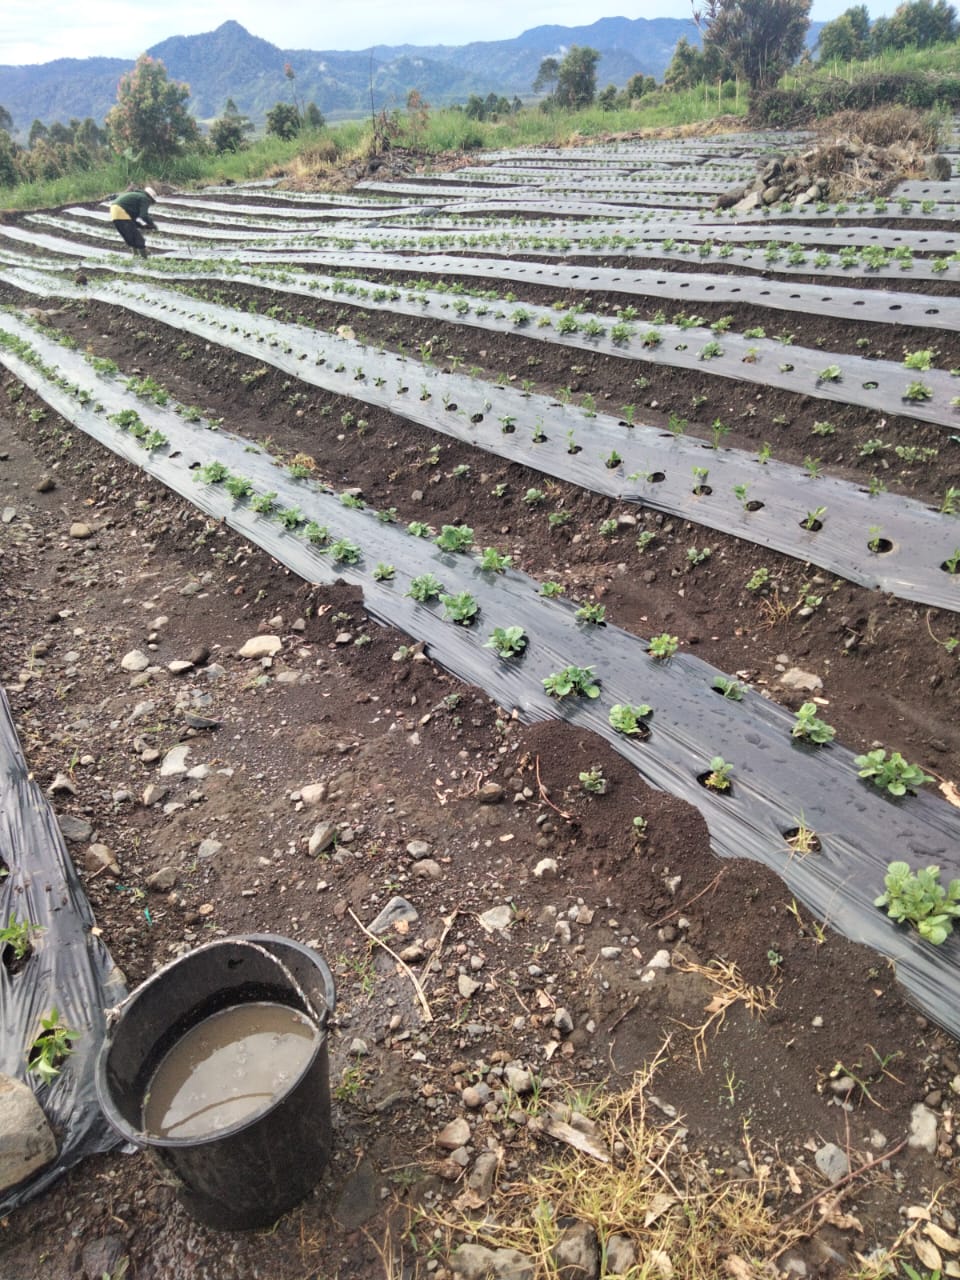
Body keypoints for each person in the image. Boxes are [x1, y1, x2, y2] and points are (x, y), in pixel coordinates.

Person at [109, 185, 158, 258]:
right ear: (150, 198)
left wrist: (142, 226)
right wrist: (152, 225)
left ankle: (136, 257)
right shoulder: (144, 198)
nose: (149, 204)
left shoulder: (136, 196)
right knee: (139, 240)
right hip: (120, 212)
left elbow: (132, 221)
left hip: (114, 212)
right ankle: (144, 260)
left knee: (132, 237)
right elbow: (144, 215)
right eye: (151, 202)